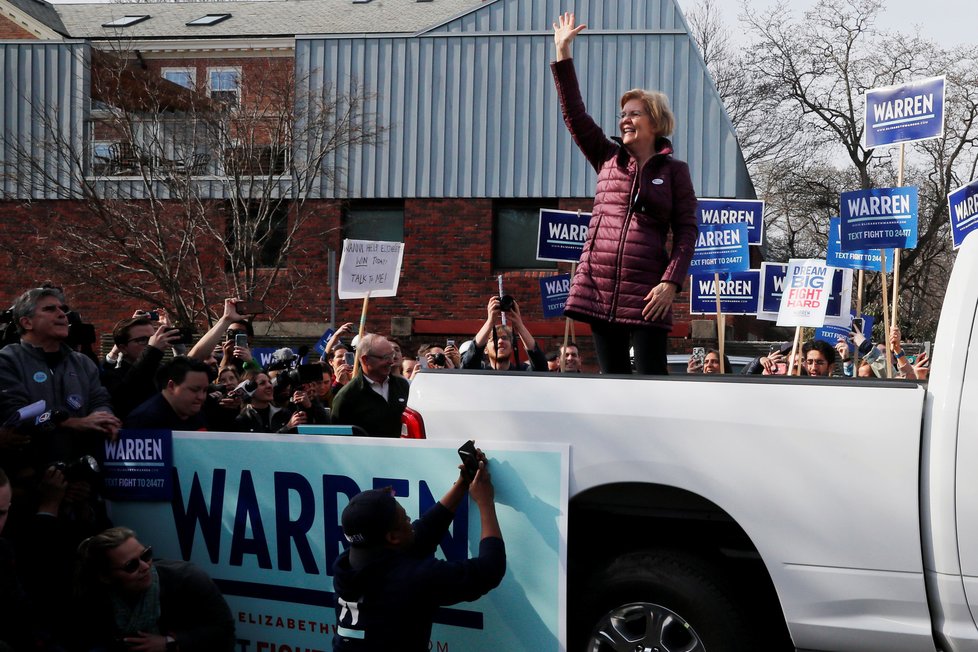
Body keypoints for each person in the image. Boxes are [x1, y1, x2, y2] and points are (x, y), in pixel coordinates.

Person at [551, 13, 698, 375]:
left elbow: (687, 231)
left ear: (655, 121)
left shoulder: (674, 171)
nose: (624, 120)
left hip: (649, 293)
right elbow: (574, 114)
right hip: (598, 288)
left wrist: (671, 281)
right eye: (622, 114)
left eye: (634, 113)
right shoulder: (606, 157)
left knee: (651, 384)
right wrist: (562, 52)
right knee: (612, 384)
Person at [332, 448, 505, 651]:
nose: (411, 523)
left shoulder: (349, 564)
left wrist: (462, 484)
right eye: (405, 518)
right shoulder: (411, 580)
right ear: (392, 537)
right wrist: (485, 503)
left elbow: (420, 535)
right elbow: (490, 569)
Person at [0, 287, 120, 471]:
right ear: (27, 322)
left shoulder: (83, 363)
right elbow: (18, 413)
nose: (62, 314)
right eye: (49, 309)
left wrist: (105, 418)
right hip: (29, 479)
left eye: (62, 309)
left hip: (80, 476)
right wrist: (69, 422)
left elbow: (100, 400)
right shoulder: (7, 360)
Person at [73, 526, 235, 651]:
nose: (145, 566)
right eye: (131, 565)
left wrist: (170, 644)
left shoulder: (186, 578)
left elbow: (224, 631)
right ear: (105, 577)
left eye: (145, 555)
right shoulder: (93, 597)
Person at [101, 316, 183, 419]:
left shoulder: (163, 371)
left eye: (152, 338)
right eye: (142, 340)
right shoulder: (111, 376)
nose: (150, 343)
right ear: (123, 348)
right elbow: (129, 391)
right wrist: (152, 351)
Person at [331, 334, 410, 438]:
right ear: (365, 359)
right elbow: (338, 438)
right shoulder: (347, 396)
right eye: (385, 357)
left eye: (391, 356)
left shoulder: (402, 386)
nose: (391, 361)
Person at [461, 297, 547, 371]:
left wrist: (520, 325)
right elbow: (468, 363)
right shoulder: (480, 372)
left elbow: (541, 366)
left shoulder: (522, 371)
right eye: (494, 339)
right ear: (485, 349)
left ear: (512, 347)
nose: (500, 341)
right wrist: (490, 322)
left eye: (505, 338)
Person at [125, 356, 212, 431]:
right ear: (171, 386)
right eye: (194, 390)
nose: (201, 397)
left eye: (205, 390)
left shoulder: (200, 414)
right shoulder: (143, 421)